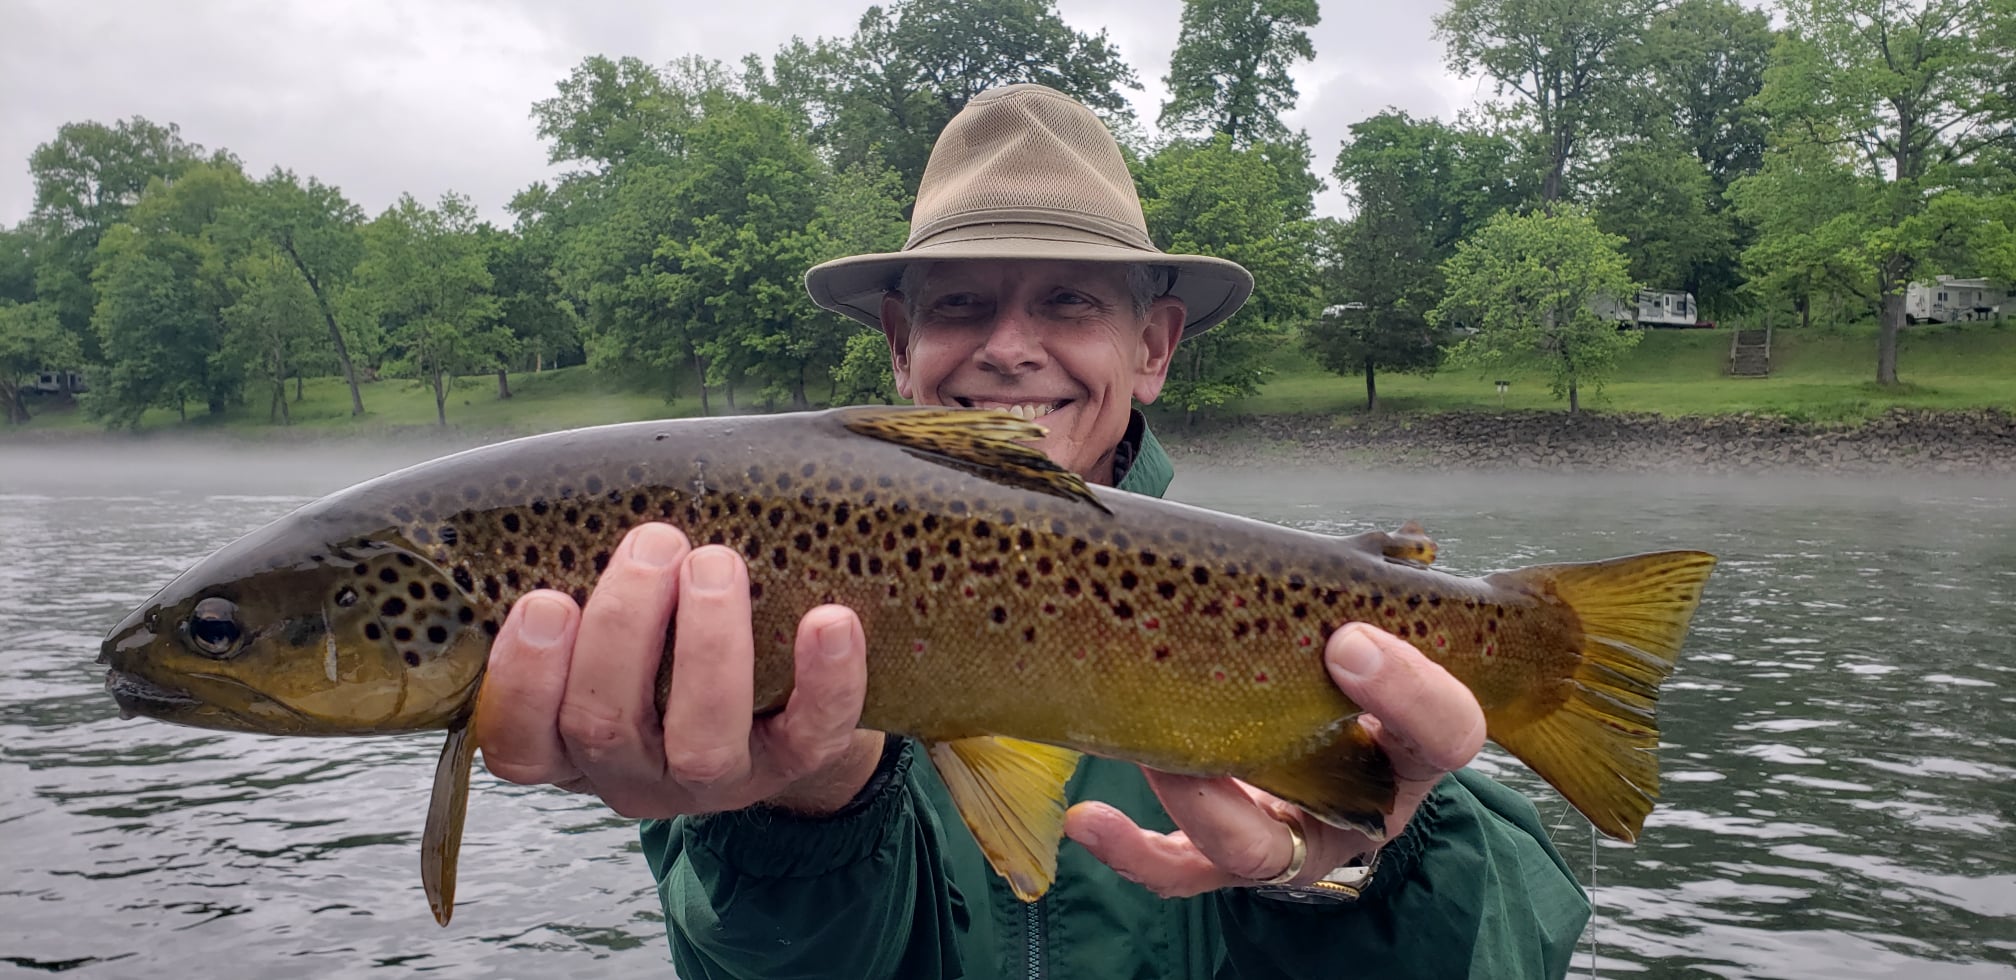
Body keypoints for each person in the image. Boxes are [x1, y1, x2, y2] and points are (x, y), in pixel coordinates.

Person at [474, 84, 1590, 978]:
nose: (1009, 347)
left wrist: (1357, 865)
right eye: (961, 303)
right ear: (899, 344)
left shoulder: (1293, 621)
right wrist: (802, 807)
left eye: (1068, 301)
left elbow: (1524, 935)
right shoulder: (723, 642)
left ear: (1154, 346)